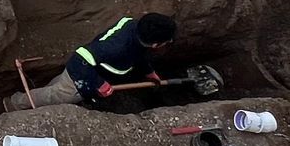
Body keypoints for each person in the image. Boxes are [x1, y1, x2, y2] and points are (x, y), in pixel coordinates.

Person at [11, 13, 178, 109]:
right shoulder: (116, 47)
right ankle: (14, 104)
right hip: (80, 77)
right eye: (167, 41)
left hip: (89, 71)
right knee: (55, 95)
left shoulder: (135, 28)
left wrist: (149, 72)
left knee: (55, 87)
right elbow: (80, 58)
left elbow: (139, 54)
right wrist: (99, 83)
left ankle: (34, 99)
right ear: (155, 44)